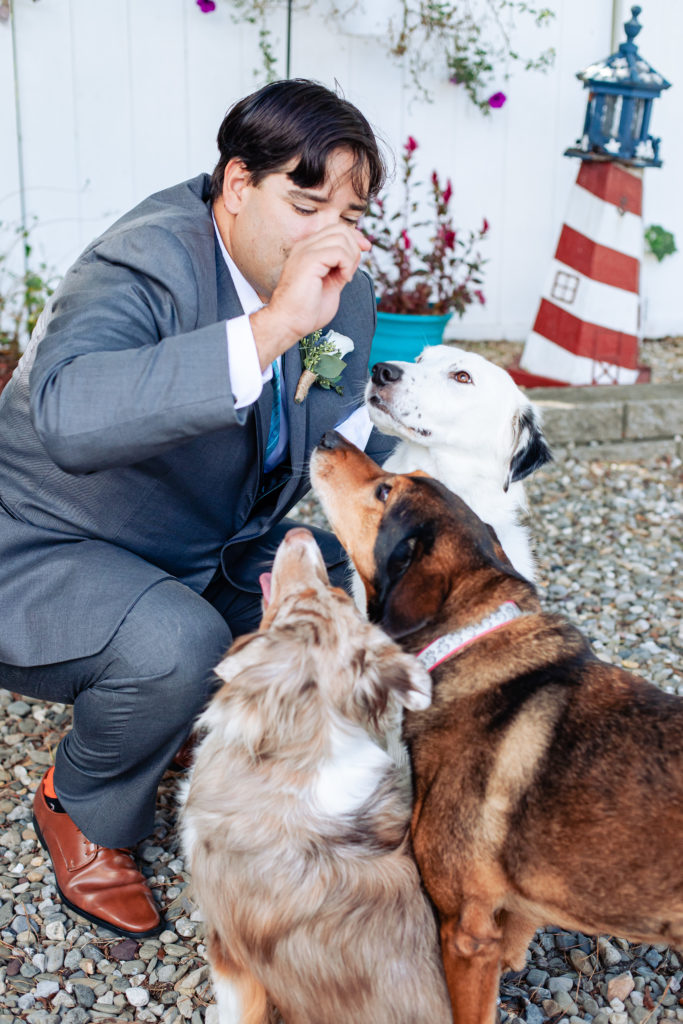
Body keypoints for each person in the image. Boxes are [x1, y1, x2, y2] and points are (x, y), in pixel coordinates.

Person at [0, 79, 394, 938]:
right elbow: (65, 410)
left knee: (362, 584)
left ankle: (236, 753)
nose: (331, 232)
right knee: (179, 643)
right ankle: (85, 802)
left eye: (351, 212)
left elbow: (344, 435)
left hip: (203, 540)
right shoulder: (141, 261)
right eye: (305, 200)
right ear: (237, 184)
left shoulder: (341, 291)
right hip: (42, 544)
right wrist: (274, 328)